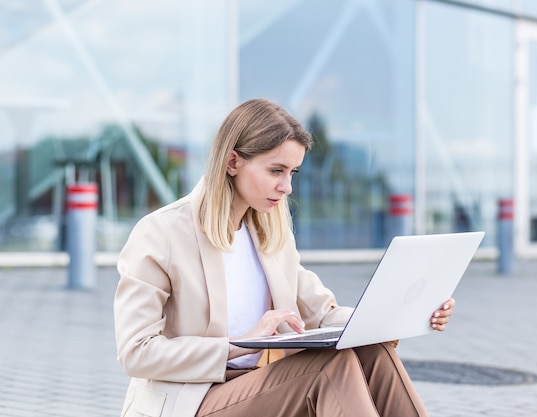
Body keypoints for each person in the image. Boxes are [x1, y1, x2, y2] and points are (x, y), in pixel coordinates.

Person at [113, 98, 456, 417]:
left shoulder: (269, 231)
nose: (287, 187)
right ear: (232, 162)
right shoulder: (162, 233)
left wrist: (405, 312)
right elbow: (137, 352)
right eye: (276, 171)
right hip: (191, 399)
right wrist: (240, 343)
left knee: (373, 350)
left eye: (293, 173)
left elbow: (323, 315)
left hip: (258, 385)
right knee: (328, 368)